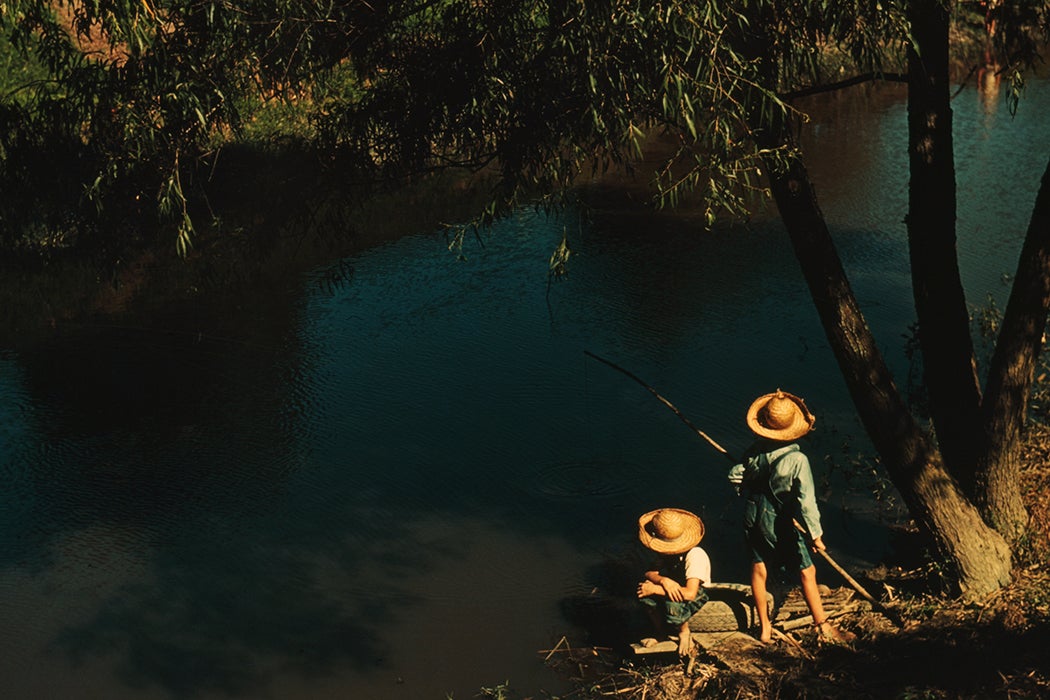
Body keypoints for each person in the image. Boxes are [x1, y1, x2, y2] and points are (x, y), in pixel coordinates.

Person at [728, 389, 855, 645]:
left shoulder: (754, 452)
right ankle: (824, 627)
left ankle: (764, 630)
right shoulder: (797, 459)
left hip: (751, 515)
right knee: (807, 570)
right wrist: (816, 535)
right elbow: (806, 502)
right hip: (777, 520)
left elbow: (735, 476)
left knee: (758, 568)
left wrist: (743, 486)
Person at [635, 507, 712, 656]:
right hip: (675, 586)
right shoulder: (667, 555)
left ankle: (684, 632)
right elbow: (650, 573)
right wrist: (664, 581)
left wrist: (656, 589)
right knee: (644, 594)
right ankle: (661, 633)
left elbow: (690, 593)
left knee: (672, 603)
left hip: (696, 591)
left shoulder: (695, 555)